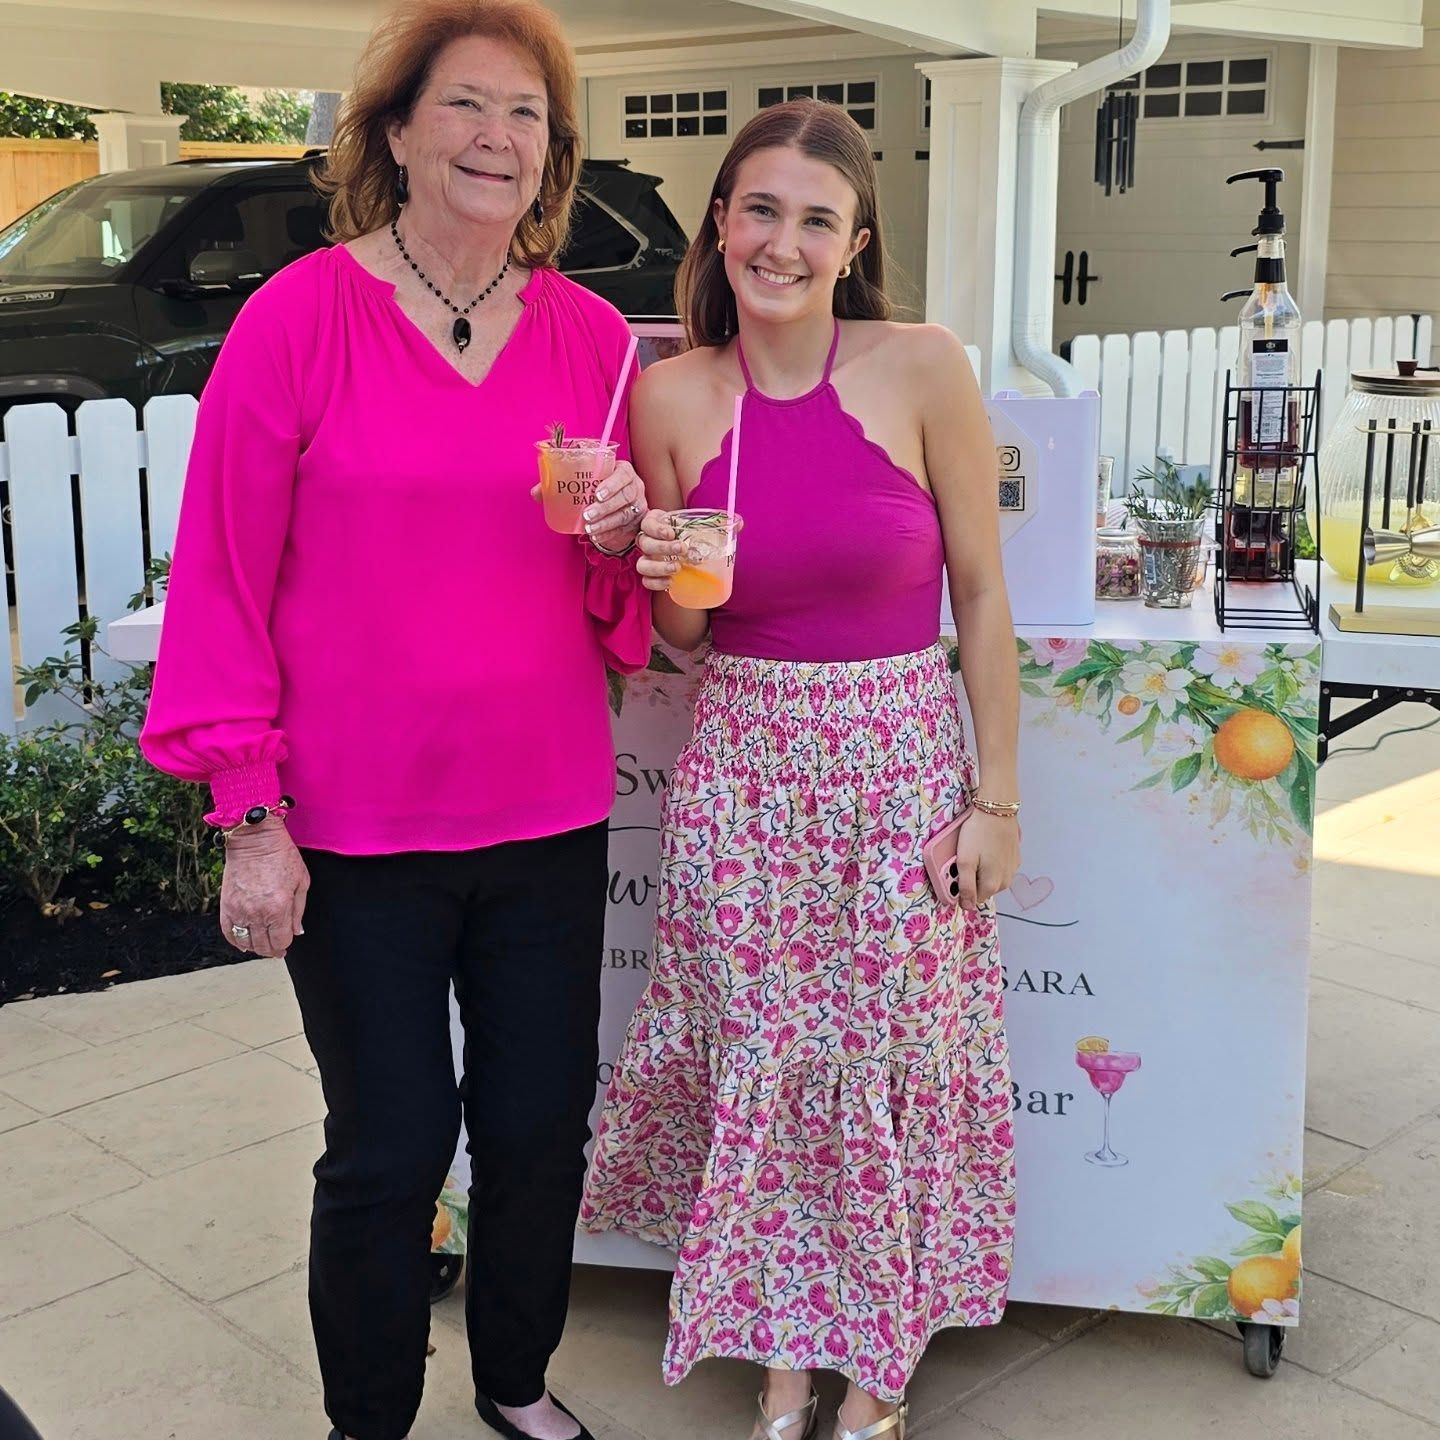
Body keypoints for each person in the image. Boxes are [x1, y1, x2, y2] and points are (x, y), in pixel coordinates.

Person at [139, 4, 651, 1438]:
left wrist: (623, 533)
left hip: (548, 811)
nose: (497, 138)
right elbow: (224, 585)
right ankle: (369, 1418)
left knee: (542, 1126)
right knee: (391, 1144)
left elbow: (624, 615)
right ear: (398, 130)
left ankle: (513, 1382)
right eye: (468, 107)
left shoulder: (593, 337)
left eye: (527, 116)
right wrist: (250, 815)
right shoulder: (299, 318)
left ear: (552, 152)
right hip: (356, 828)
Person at [579, 100, 1020, 1440]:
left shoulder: (925, 366)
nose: (782, 241)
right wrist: (668, 580)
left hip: (897, 765)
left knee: (888, 1063)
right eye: (759, 209)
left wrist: (995, 799)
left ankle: (876, 1377)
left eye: (815, 219)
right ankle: (782, 1376)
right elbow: (680, 637)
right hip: (746, 770)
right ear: (721, 222)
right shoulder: (667, 395)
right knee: (768, 1072)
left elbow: (985, 603)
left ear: (854, 241)